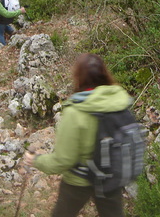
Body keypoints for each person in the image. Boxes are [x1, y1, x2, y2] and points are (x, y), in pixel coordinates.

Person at [24, 53, 132, 217]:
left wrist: (36, 160)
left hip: (79, 180)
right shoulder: (119, 101)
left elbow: (63, 161)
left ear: (78, 77)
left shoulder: (75, 112)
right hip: (112, 176)